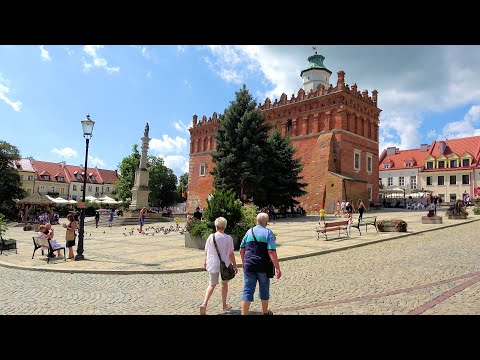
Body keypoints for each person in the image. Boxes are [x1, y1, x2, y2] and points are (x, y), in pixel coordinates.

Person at [240, 212, 281, 315]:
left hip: (249, 265)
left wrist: (243, 263)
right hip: (263, 266)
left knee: (247, 290)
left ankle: (244, 314)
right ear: (266, 222)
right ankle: (265, 312)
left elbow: (241, 249)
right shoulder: (268, 233)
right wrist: (277, 267)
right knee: (264, 289)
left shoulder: (249, 232)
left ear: (256, 221)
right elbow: (271, 251)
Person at [199, 217, 238, 315]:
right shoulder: (228, 238)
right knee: (224, 284)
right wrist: (235, 265)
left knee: (212, 284)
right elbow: (231, 254)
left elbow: (207, 251)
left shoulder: (211, 237)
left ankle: (204, 304)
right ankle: (224, 304)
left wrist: (205, 261)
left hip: (213, 263)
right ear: (224, 226)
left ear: (216, 226)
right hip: (225, 264)